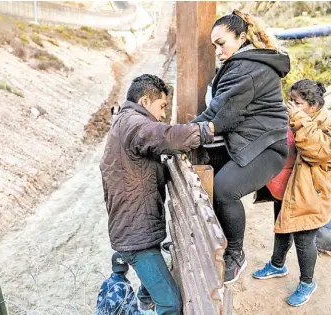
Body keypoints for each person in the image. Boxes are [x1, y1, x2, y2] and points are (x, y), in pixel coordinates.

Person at [100, 74, 246, 314]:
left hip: (134, 228)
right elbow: (167, 136)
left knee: (151, 290)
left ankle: (145, 303)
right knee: (170, 303)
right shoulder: (133, 124)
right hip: (136, 238)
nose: (163, 114)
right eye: (162, 106)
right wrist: (207, 129)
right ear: (146, 101)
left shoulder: (123, 122)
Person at [191, 10, 291, 284]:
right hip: (249, 141)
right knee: (208, 179)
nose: (218, 50)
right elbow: (219, 110)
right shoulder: (240, 63)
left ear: (242, 37)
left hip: (267, 147)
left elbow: (219, 116)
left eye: (221, 43)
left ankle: (235, 253)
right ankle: (210, 237)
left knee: (224, 190)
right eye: (214, 46)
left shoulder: (248, 67)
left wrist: (175, 135)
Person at [252, 79, 331, 307]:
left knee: (304, 241)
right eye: (290, 100)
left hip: (309, 195)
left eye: (297, 102)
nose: (291, 105)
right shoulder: (293, 117)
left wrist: (299, 119)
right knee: (281, 228)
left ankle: (307, 283)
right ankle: (277, 265)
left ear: (313, 105)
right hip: (286, 188)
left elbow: (316, 151)